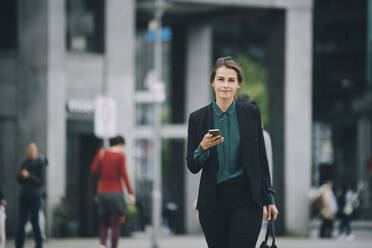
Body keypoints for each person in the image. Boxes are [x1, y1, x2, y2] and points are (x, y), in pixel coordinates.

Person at [186, 56, 278, 248]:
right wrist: (202, 147)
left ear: (238, 84)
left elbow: (261, 160)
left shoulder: (251, 114)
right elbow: (192, 166)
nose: (225, 85)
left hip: (246, 200)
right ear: (212, 82)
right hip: (213, 201)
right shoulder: (198, 118)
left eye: (231, 80)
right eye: (220, 79)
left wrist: (269, 199)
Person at [91, 135, 136, 248]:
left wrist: (101, 178)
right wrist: (130, 193)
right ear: (120, 144)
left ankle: (102, 244)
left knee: (103, 224)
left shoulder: (102, 153)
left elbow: (94, 169)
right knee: (115, 225)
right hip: (116, 194)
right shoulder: (121, 156)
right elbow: (124, 175)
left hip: (103, 193)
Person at [15, 142, 47, 248]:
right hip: (23, 196)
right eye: (29, 149)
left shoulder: (40, 163)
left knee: (35, 222)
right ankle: (18, 245)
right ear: (27, 151)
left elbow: (41, 181)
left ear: (36, 150)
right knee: (21, 222)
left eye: (33, 149)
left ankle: (39, 245)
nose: (31, 151)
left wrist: (28, 175)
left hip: (35, 197)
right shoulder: (25, 163)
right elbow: (19, 180)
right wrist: (20, 175)